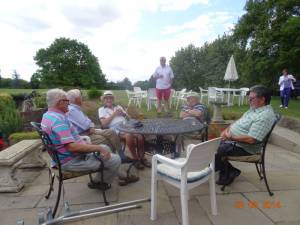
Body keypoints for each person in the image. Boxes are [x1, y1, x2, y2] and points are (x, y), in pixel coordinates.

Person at [41, 88, 121, 190]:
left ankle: (105, 177)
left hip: (62, 157)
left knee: (105, 148)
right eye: (66, 101)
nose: (69, 104)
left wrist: (95, 147)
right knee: (115, 159)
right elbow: (72, 147)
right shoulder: (58, 120)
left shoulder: (47, 115)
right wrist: (98, 148)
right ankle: (99, 182)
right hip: (71, 160)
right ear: (60, 103)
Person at [215, 85, 276, 186]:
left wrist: (230, 137)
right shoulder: (254, 109)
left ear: (262, 99)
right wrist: (227, 130)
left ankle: (219, 170)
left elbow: (251, 139)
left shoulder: (264, 116)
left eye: (251, 99)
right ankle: (228, 170)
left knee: (216, 150)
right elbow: (238, 122)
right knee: (210, 146)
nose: (249, 101)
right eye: (248, 98)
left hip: (245, 148)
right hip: (234, 141)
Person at [98, 91, 151, 169]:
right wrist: (114, 114)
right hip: (115, 129)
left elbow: (129, 118)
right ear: (104, 100)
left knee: (140, 136)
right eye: (106, 98)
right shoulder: (101, 109)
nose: (109, 100)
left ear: (113, 99)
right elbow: (103, 124)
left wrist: (124, 114)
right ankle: (135, 159)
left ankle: (142, 157)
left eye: (110, 98)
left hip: (127, 125)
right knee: (129, 135)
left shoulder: (118, 106)